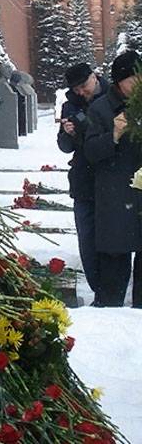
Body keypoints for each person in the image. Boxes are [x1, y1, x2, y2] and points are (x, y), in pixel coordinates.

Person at [84, 51, 142, 307]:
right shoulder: (100, 109)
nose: (139, 83)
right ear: (120, 81)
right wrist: (114, 136)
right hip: (115, 197)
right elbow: (91, 152)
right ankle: (109, 316)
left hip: (139, 195)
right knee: (114, 268)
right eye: (134, 78)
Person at [57, 62, 108, 299]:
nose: (81, 92)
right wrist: (67, 133)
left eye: (84, 85)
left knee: (110, 238)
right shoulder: (70, 105)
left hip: (109, 179)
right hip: (83, 181)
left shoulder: (113, 98)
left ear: (94, 77)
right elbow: (64, 147)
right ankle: (98, 287)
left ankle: (111, 290)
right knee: (87, 239)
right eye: (76, 89)